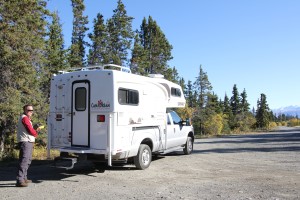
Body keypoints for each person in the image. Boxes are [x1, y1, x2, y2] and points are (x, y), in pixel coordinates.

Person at [16, 105, 41, 187]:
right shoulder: (25, 118)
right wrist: (36, 131)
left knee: (27, 160)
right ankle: (20, 180)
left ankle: (24, 178)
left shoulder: (25, 118)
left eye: (32, 110)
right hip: (26, 141)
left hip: (27, 141)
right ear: (24, 110)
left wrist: (34, 130)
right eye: (29, 110)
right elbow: (30, 131)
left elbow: (29, 129)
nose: (31, 111)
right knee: (24, 160)